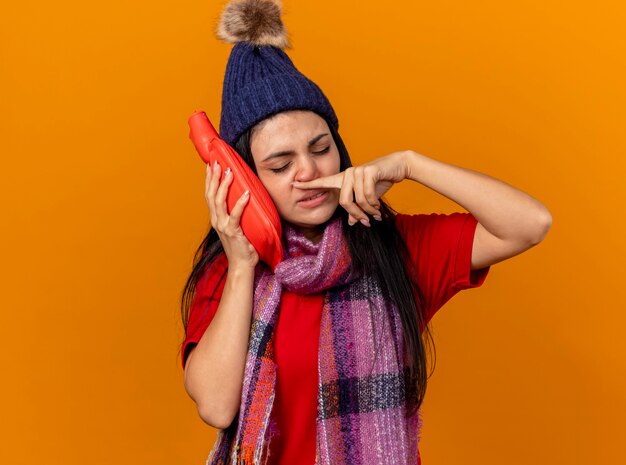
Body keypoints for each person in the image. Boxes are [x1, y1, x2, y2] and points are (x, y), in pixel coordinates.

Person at [179, 1, 552, 464]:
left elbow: (530, 224)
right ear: (247, 180)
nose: (309, 171)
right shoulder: (230, 274)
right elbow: (216, 406)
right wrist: (240, 266)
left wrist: (410, 163)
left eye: (321, 148)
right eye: (280, 164)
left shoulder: (396, 249)